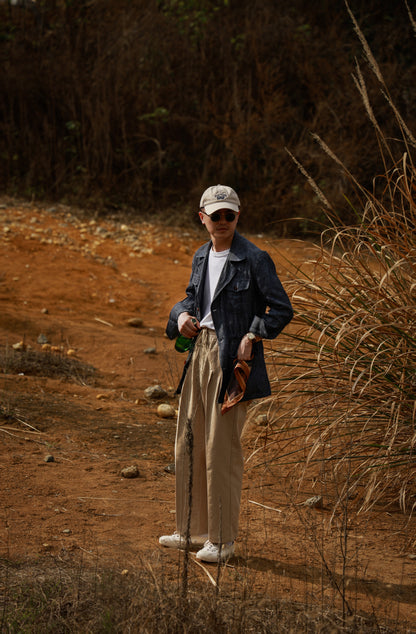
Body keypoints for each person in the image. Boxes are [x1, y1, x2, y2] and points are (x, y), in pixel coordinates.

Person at [159, 184, 293, 563]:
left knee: (221, 450)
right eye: (214, 215)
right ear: (202, 217)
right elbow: (191, 298)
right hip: (199, 352)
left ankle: (222, 539)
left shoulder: (255, 258)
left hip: (231, 362)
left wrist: (253, 333)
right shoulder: (201, 256)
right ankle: (188, 530)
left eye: (228, 215)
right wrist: (181, 315)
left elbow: (280, 310)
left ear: (238, 216)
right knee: (188, 443)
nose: (221, 221)